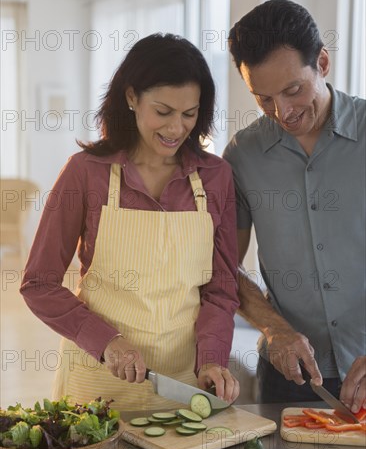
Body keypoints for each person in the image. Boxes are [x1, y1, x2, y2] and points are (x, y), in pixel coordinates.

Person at [20, 33, 240, 411]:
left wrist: (214, 359)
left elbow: (221, 289)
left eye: (189, 114)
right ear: (131, 97)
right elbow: (39, 283)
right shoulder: (86, 173)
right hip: (96, 380)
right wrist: (107, 341)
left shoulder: (216, 177)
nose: (176, 128)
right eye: (163, 111)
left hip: (182, 386)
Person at [223, 0, 366, 411]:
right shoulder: (243, 155)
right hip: (290, 377)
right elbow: (223, 266)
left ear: (322, 63)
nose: (282, 112)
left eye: (293, 90)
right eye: (263, 98)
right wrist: (273, 329)